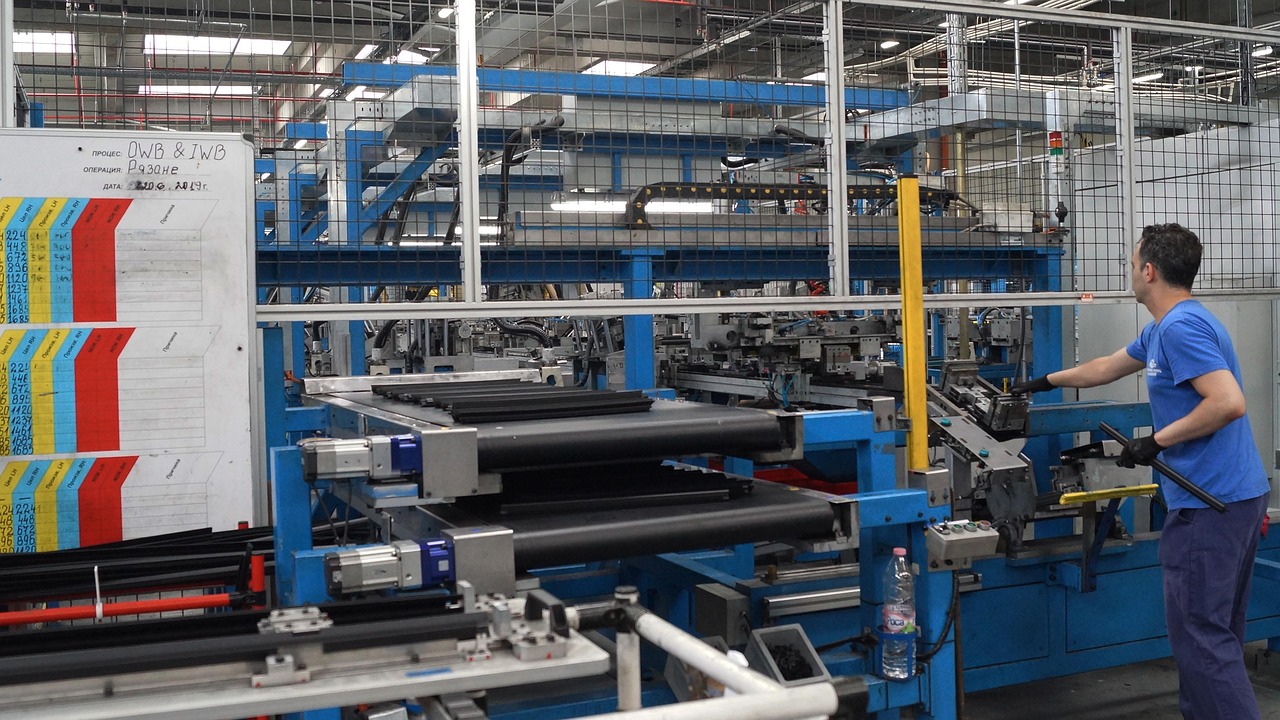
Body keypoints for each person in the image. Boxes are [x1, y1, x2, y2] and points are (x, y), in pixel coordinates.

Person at [1012, 223, 1271, 720]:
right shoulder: (1167, 326)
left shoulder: (1179, 328)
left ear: (1148, 270)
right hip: (1235, 496)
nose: (1130, 272)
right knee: (1210, 638)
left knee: (1202, 638)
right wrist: (1040, 383)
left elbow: (1228, 402)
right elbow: (1107, 366)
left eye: (1132, 264)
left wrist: (1157, 441)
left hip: (1209, 503)